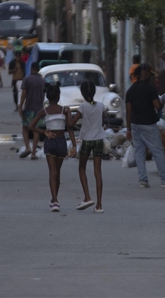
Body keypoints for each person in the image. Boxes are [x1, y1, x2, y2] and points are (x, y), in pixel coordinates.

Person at [126, 63, 165, 189]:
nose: (151, 76)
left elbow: (128, 111)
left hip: (135, 124)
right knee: (158, 151)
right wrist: (161, 102)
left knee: (139, 152)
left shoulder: (130, 90)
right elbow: (157, 106)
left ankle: (142, 180)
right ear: (145, 74)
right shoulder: (151, 89)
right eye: (150, 74)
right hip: (148, 124)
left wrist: (128, 128)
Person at [28, 84, 78, 212]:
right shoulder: (64, 110)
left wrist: (44, 132)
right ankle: (55, 199)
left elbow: (31, 126)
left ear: (47, 97)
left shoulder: (44, 111)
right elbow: (70, 128)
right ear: (59, 96)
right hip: (61, 142)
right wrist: (74, 144)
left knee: (52, 171)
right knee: (58, 171)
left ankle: (54, 200)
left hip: (50, 142)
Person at [68, 80, 108, 212]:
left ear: (83, 93)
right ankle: (100, 205)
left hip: (87, 140)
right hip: (99, 140)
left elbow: (72, 123)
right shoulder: (101, 106)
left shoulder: (83, 107)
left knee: (82, 168)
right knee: (98, 172)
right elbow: (102, 122)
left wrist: (68, 116)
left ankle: (87, 197)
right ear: (94, 92)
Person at [17, 68, 46, 159]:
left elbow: (24, 93)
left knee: (25, 128)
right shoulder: (42, 80)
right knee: (36, 130)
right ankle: (33, 153)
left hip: (29, 108)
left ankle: (27, 147)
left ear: (31, 69)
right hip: (39, 109)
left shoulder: (27, 79)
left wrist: (20, 106)